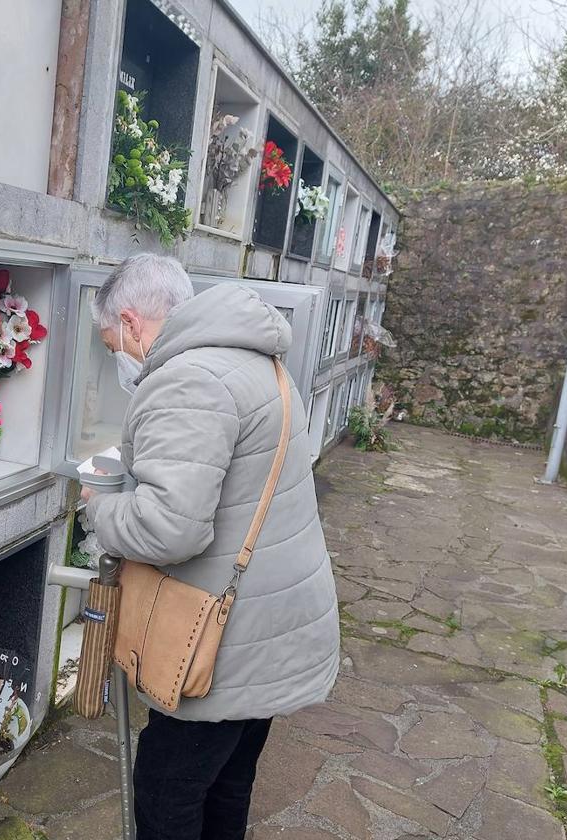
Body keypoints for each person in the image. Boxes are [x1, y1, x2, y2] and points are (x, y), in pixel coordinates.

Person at [81, 253, 341, 840]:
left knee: (167, 790)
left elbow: (170, 528)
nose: (116, 355)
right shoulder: (255, 360)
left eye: (109, 342)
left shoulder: (189, 378)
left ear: (130, 321)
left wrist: (98, 510)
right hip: (274, 622)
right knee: (228, 783)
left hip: (225, 642)